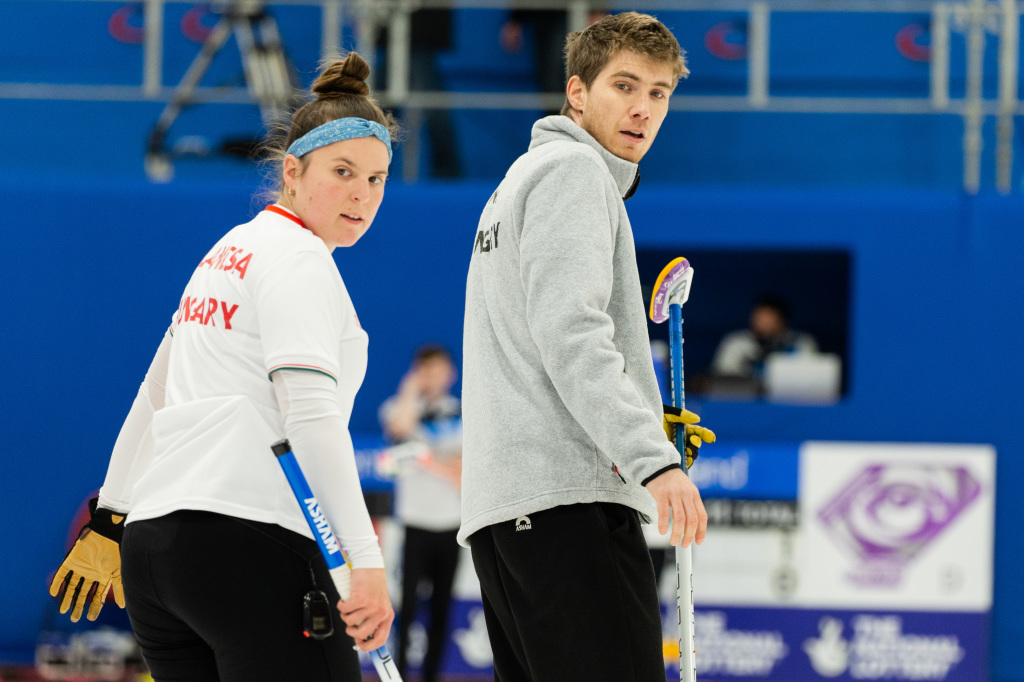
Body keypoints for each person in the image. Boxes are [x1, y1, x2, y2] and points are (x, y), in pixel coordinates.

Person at [48, 52, 396, 682]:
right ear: (293, 171)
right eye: (343, 172)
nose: (362, 194)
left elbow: (156, 393)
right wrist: (366, 561)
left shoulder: (226, 251)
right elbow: (312, 417)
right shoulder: (298, 259)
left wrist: (111, 516)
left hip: (157, 557)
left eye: (377, 179)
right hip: (247, 545)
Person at [460, 12, 716, 681]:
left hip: (515, 513)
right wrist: (651, 459)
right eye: (624, 86)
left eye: (659, 93)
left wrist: (638, 427)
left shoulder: (521, 180)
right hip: (566, 507)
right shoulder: (572, 173)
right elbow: (571, 334)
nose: (642, 108)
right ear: (577, 93)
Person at [379, 345, 463, 682]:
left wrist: (423, 458)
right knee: (408, 608)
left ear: (451, 374)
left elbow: (462, 470)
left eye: (439, 369)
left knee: (441, 608)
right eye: (425, 370)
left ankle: (432, 676)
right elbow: (398, 430)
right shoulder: (398, 408)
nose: (432, 376)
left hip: (451, 526)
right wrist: (410, 390)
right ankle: (397, 674)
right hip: (413, 524)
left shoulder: (464, 412)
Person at [711, 294, 819, 384]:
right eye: (759, 318)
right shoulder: (736, 343)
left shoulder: (802, 343)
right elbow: (722, 378)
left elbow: (811, 380)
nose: (763, 324)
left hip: (790, 401)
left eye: (769, 319)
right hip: (745, 402)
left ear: (782, 321)